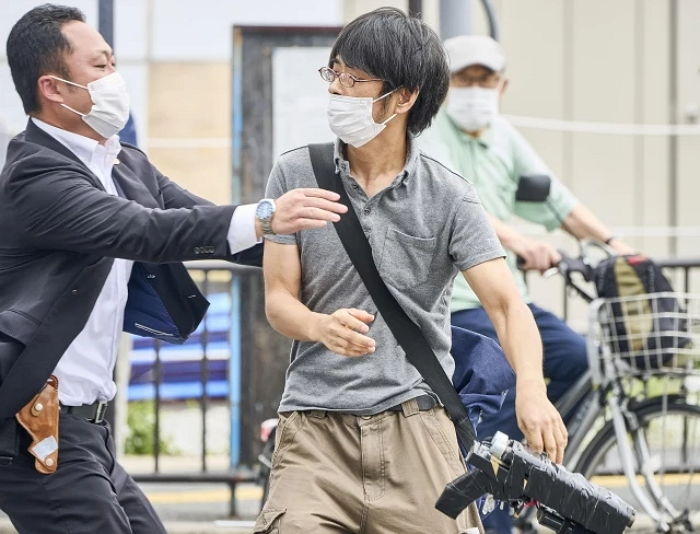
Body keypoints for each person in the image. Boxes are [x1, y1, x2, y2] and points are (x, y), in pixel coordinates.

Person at [0, 5, 347, 534]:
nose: (117, 79)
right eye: (101, 66)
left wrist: (338, 249)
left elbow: (215, 231)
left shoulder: (123, 163)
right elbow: (148, 231)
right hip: (33, 429)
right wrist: (265, 215)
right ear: (54, 87)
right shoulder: (37, 175)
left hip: (88, 430)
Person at [259, 8, 567, 534]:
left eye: (354, 79)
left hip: (417, 427)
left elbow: (506, 304)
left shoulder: (449, 195)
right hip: (314, 427)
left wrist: (532, 391)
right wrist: (318, 326)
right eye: (333, 73)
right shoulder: (296, 173)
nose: (337, 89)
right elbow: (279, 298)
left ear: (403, 97)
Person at [418, 35, 636, 533]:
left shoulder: (503, 136)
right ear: (446, 86)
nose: (475, 89)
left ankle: (519, 464)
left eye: (485, 79)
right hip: (459, 302)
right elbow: (463, 207)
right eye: (464, 79)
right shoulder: (429, 137)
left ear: (503, 85)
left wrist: (615, 244)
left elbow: (558, 202)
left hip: (509, 297)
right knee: (504, 378)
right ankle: (492, 499)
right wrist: (520, 241)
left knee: (576, 358)